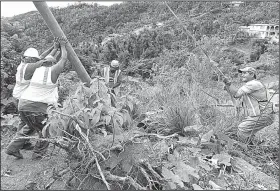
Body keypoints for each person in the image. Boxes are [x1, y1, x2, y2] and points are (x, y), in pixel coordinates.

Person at [5, 37, 68, 160]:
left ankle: (14, 147)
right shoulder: (36, 69)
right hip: (34, 106)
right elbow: (63, 59)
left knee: (29, 126)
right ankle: (38, 153)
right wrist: (63, 46)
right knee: (46, 129)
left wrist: (55, 48)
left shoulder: (34, 70)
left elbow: (42, 59)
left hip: (23, 104)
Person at [223, 67, 275, 144]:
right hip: (264, 115)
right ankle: (254, 146)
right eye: (242, 73)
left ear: (252, 74)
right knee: (246, 131)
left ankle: (245, 149)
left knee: (242, 129)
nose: (242, 75)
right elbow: (236, 98)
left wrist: (229, 84)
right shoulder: (252, 85)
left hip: (263, 115)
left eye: (244, 73)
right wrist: (228, 87)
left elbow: (236, 94)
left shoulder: (253, 84)